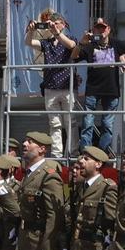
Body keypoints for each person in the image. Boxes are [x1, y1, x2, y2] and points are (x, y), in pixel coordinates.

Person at [72, 18, 123, 155]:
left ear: (109, 29)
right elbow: (74, 56)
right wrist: (82, 42)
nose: (101, 31)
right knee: (88, 122)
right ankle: (87, 152)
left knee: (107, 124)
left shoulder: (116, 44)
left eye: (103, 28)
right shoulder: (90, 46)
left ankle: (101, 153)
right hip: (93, 89)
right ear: (94, 30)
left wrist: (124, 57)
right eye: (98, 28)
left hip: (111, 89)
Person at [30, 12, 77, 152]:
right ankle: (57, 154)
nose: (53, 26)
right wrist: (30, 31)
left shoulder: (70, 38)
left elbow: (71, 46)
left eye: (56, 23)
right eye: (51, 24)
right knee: (54, 123)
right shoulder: (46, 43)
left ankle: (73, 152)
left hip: (67, 85)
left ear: (63, 25)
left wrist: (57, 33)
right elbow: (29, 43)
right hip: (51, 86)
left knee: (71, 122)